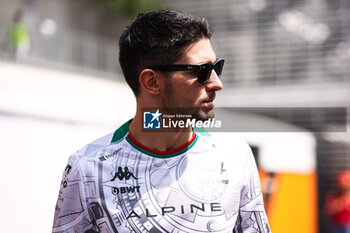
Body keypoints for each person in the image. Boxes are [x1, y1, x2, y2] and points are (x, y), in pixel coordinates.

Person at [52, 10, 270, 233]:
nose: (217, 83)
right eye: (203, 71)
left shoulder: (235, 157)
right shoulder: (87, 167)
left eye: (217, 68)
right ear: (152, 81)